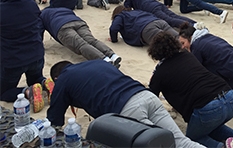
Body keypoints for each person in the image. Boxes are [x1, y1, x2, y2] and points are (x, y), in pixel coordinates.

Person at [46, 60, 205, 148]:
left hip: (126, 110)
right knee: (180, 142)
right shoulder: (96, 63)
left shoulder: (64, 79)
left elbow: (54, 120)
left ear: (57, 78)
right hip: (145, 95)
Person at [148, 32, 233, 148]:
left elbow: (150, 98)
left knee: (193, 137)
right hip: (230, 97)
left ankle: (223, 146)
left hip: (208, 107)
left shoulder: (160, 73)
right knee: (208, 126)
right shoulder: (187, 55)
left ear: (155, 52)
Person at [0, 0, 53, 112]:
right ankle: (45, 84)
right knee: (35, 78)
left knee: (4, 92)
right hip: (35, 52)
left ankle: (27, 92)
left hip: (13, 59)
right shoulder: (31, 4)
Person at [40, 7, 121, 66]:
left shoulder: (42, 15)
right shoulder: (62, 8)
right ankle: (112, 55)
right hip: (78, 22)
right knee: (92, 41)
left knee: (81, 45)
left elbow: (39, 31)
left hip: (62, 27)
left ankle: (103, 59)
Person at [124, 0, 196, 28]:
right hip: (158, 4)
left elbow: (127, 9)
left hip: (150, 9)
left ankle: (191, 26)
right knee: (174, 16)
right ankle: (194, 23)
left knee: (169, 20)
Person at [109, 6, 178, 46]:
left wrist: (114, 39)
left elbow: (113, 28)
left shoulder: (121, 15)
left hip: (146, 28)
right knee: (178, 38)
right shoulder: (137, 11)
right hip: (158, 21)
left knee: (167, 45)